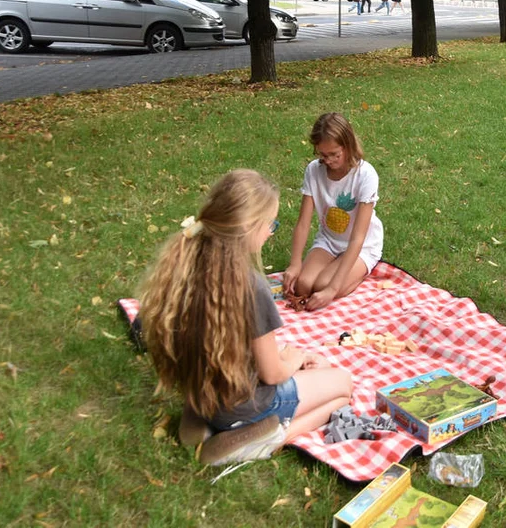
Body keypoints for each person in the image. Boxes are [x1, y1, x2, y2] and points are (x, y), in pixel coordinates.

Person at [138, 169, 353, 466]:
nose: (270, 232)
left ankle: (198, 421)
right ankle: (272, 437)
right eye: (270, 225)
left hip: (203, 393)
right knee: (343, 388)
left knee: (301, 374)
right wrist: (295, 357)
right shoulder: (249, 285)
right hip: (244, 405)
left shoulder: (186, 265)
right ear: (249, 227)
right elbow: (272, 375)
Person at [283, 113, 384, 312]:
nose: (328, 160)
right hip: (329, 240)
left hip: (362, 245)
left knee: (323, 286)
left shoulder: (366, 175)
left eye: (334, 155)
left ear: (348, 146)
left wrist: (333, 289)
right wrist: (295, 264)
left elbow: (358, 238)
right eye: (322, 155)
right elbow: (303, 223)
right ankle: (337, 270)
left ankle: (356, 275)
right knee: (304, 285)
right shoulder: (314, 171)